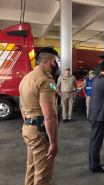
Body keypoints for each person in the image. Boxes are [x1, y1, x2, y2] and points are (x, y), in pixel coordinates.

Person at [19, 47, 59, 185]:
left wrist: (31, 122)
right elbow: (50, 116)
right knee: (43, 175)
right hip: (41, 133)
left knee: (32, 168)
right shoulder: (46, 80)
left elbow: (22, 108)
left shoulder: (26, 78)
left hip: (29, 130)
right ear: (52, 62)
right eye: (57, 62)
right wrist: (53, 143)